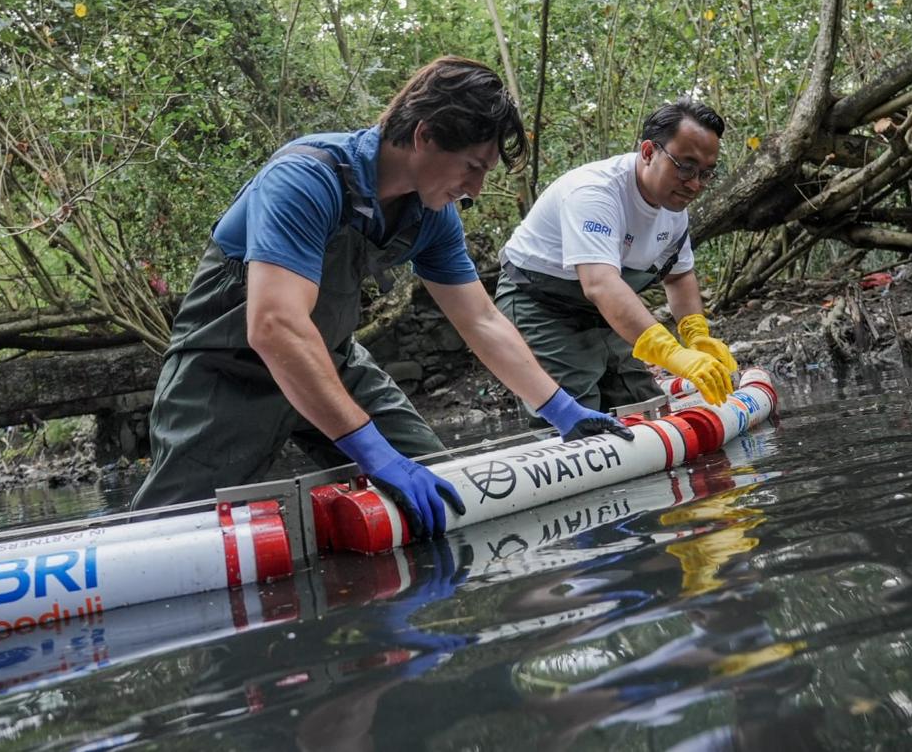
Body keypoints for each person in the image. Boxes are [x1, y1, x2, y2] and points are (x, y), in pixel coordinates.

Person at [133, 56, 632, 535]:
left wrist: (561, 409)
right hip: (227, 373)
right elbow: (275, 327)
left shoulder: (433, 216)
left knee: (443, 495)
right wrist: (372, 452)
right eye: (472, 167)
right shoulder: (305, 178)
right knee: (167, 535)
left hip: (333, 362)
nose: (476, 189)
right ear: (425, 135)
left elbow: (481, 320)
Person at [494, 98, 738, 413]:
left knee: (641, 403)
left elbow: (678, 276)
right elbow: (600, 284)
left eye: (706, 174)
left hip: (603, 312)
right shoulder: (594, 193)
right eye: (686, 167)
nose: (694, 184)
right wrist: (671, 353)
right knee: (577, 411)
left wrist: (696, 336)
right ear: (649, 152)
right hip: (538, 303)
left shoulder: (674, 204)